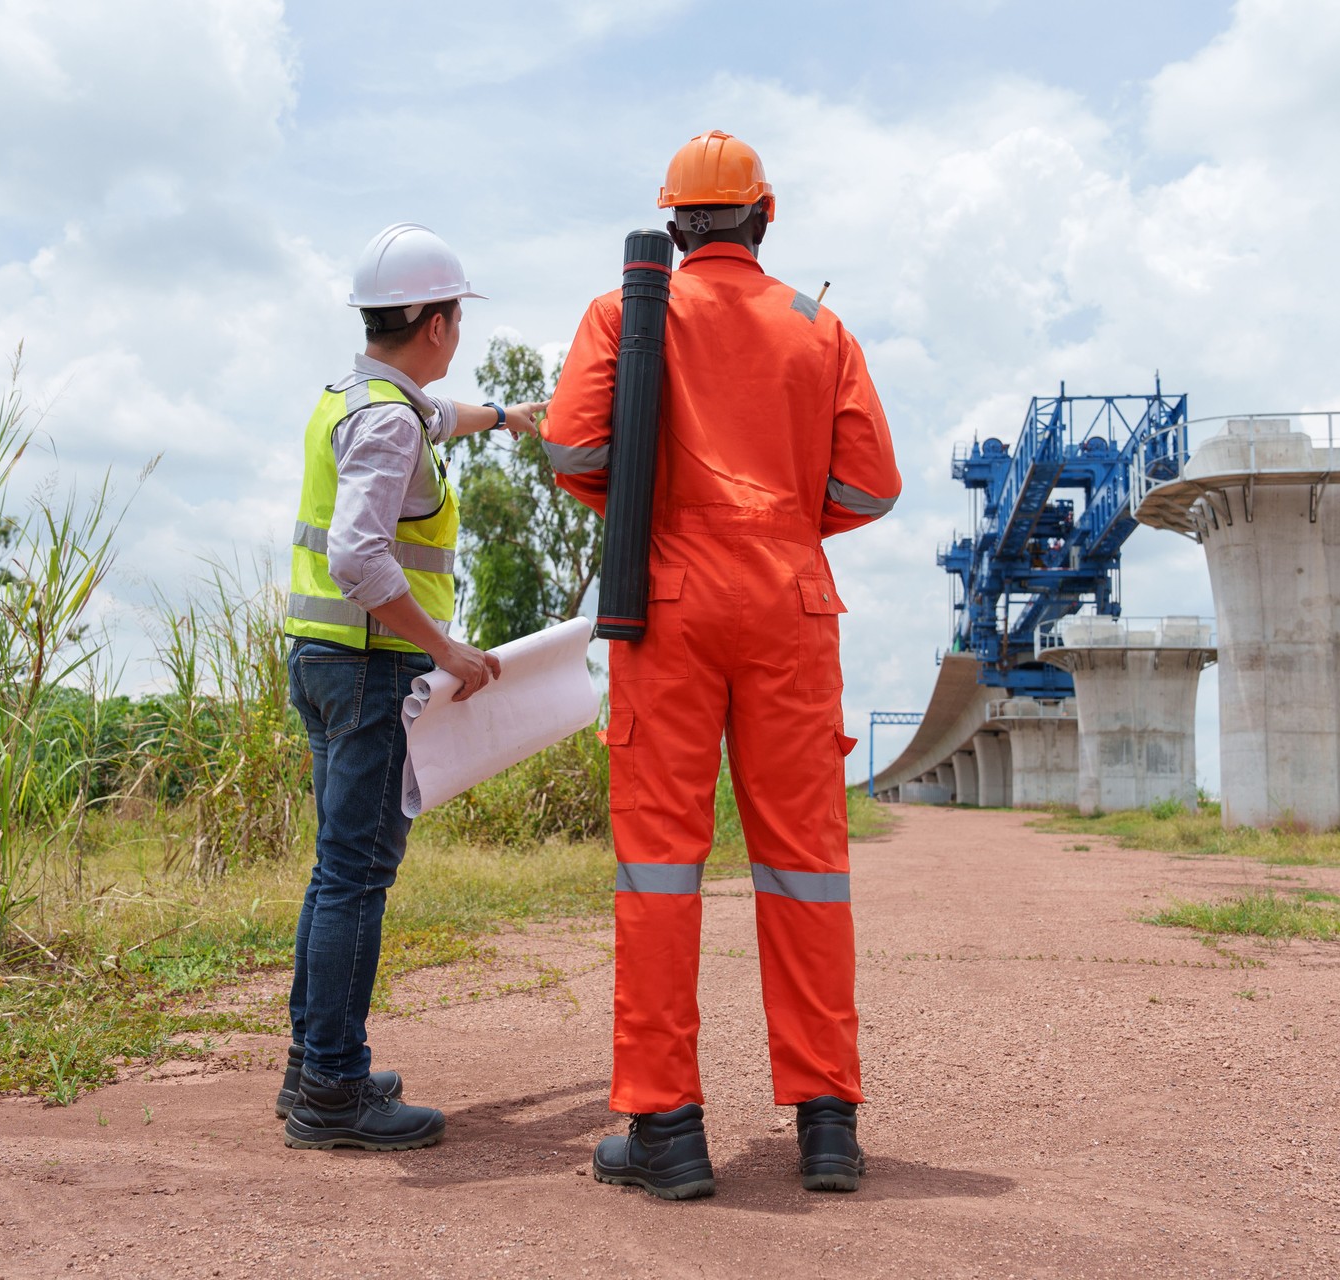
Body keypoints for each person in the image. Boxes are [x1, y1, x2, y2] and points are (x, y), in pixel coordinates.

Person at [541, 131, 901, 1197]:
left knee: (660, 864)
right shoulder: (817, 326)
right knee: (806, 863)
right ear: (765, 215)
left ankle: (665, 1127)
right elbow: (874, 486)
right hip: (792, 601)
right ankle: (827, 1123)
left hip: (669, 598)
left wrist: (650, 507)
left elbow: (571, 448)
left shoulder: (627, 314)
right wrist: (788, 516)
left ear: (672, 221)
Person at [277, 223, 545, 1151]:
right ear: (435, 323)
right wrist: (449, 650)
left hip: (321, 660)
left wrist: (510, 419)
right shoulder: (390, 419)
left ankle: (314, 1064)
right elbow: (358, 552)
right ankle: (334, 1094)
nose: (458, 331)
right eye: (456, 315)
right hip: (370, 668)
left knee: (333, 871)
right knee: (357, 875)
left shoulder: (362, 395)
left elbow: (444, 419)